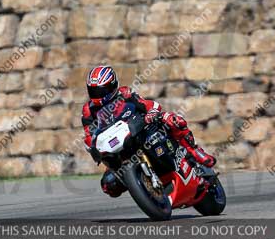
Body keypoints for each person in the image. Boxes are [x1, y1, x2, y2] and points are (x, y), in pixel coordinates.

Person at [82, 65, 216, 197]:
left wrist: (151, 113)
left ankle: (194, 150)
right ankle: (142, 187)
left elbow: (148, 105)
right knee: (108, 185)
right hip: (116, 145)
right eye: (93, 91)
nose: (98, 95)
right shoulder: (88, 110)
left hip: (140, 129)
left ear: (112, 85)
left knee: (173, 120)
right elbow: (89, 135)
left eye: (101, 91)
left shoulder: (125, 94)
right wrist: (93, 148)